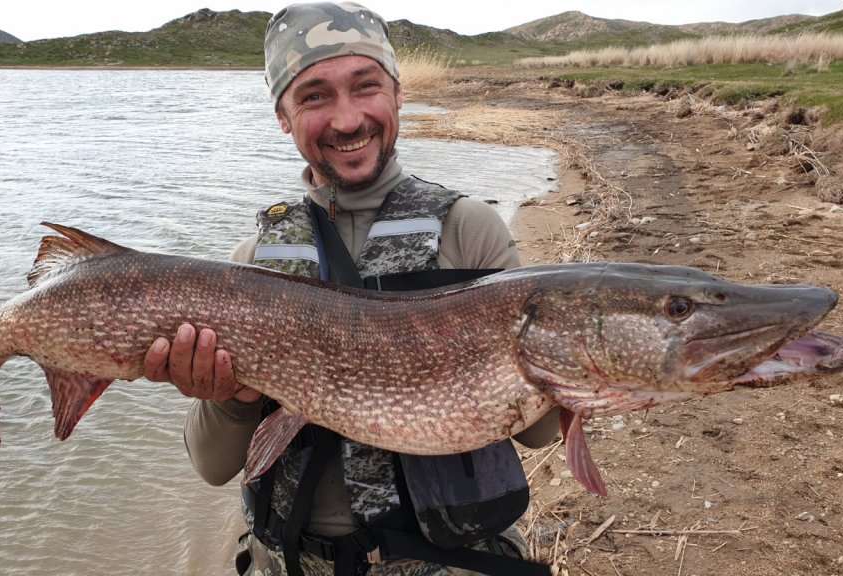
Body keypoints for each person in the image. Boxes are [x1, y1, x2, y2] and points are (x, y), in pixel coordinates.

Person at [143, 2, 560, 574]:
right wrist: (232, 398)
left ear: (397, 94)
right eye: (313, 95)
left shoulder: (469, 231)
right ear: (283, 115)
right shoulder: (254, 260)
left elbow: (540, 434)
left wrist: (557, 368)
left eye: (366, 86)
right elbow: (212, 467)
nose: (347, 120)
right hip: (290, 560)